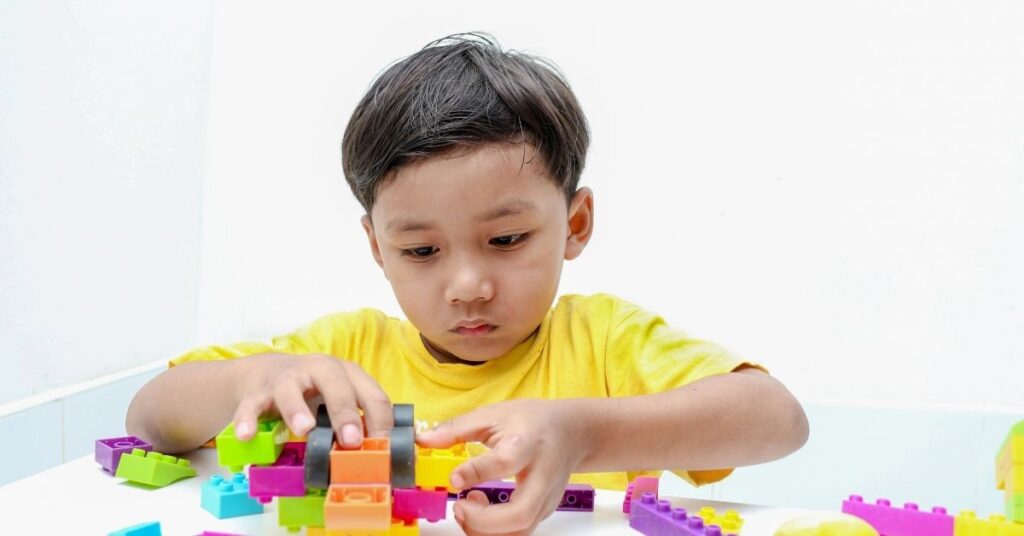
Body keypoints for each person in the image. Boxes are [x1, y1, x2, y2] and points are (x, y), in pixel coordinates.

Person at [127, 33, 808, 535]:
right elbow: (148, 417)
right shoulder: (343, 355)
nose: (467, 285)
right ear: (376, 247)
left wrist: (583, 434)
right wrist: (262, 378)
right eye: (421, 249)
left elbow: (777, 420)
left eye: (507, 240)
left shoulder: (607, 345)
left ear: (575, 223)